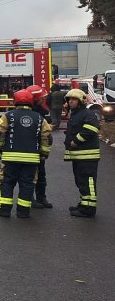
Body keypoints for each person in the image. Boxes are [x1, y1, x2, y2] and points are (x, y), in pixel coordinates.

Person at [0, 89, 52, 218]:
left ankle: (4, 210)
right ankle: (23, 212)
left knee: (7, 182)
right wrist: (44, 153)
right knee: (27, 184)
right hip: (31, 159)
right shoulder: (40, 118)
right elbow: (46, 137)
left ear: (15, 102)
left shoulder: (8, 116)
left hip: (10, 158)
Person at [63, 88, 101, 217]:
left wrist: (76, 141)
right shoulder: (76, 114)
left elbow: (92, 128)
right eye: (69, 99)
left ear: (80, 101)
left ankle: (89, 209)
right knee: (81, 181)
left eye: (74, 99)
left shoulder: (87, 113)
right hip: (79, 155)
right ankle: (84, 204)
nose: (71, 102)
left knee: (88, 181)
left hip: (87, 155)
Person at [25, 85, 53, 208]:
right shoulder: (30, 114)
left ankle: (41, 198)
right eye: (42, 98)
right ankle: (30, 199)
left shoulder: (41, 112)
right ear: (35, 99)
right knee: (30, 177)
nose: (44, 100)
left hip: (39, 149)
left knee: (41, 175)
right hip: (31, 150)